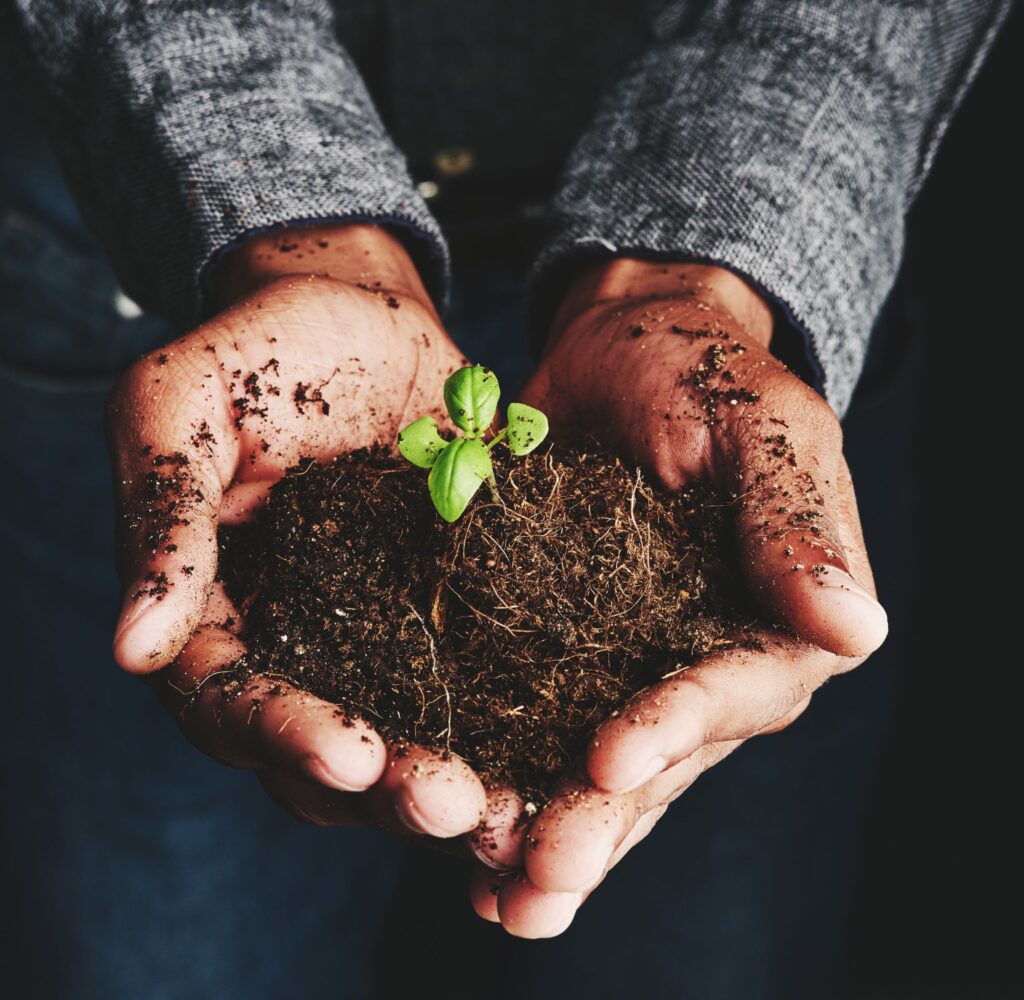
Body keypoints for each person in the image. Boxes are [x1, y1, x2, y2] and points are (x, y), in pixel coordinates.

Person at [0, 2, 1009, 996]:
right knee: (165, 949)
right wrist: (278, 198)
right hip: (164, 221)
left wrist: (710, 246)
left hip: (742, 273)